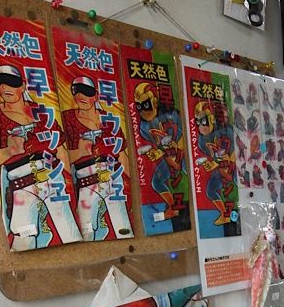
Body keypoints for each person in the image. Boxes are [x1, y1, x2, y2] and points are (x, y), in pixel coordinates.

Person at [0, 64, 81, 250]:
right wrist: (8, 151)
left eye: (11, 82)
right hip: (22, 186)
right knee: (23, 242)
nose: (5, 87)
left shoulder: (42, 113)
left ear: (22, 85)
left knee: (70, 233)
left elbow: (61, 151)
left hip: (54, 180)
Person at [62, 75, 132, 241]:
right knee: (87, 233)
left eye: (86, 92)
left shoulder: (109, 120)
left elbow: (122, 156)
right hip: (86, 183)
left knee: (124, 230)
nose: (80, 96)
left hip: (113, 182)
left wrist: (135, 190)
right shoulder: (67, 118)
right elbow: (60, 156)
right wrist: (81, 151)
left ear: (95, 96)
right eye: (76, 91)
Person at [133, 81, 187, 221]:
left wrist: (175, 150)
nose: (143, 110)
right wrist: (157, 152)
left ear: (155, 101)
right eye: (139, 106)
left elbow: (185, 138)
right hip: (169, 155)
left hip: (183, 154)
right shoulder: (143, 127)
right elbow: (159, 145)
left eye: (146, 104)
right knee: (157, 181)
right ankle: (173, 207)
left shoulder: (172, 114)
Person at [194, 99, 236, 226]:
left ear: (211, 119)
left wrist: (228, 162)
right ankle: (225, 214)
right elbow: (213, 157)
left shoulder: (227, 131)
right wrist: (211, 163)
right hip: (221, 168)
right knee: (210, 190)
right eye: (198, 122)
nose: (201, 126)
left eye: (203, 121)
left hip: (234, 167)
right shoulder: (201, 141)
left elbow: (236, 151)